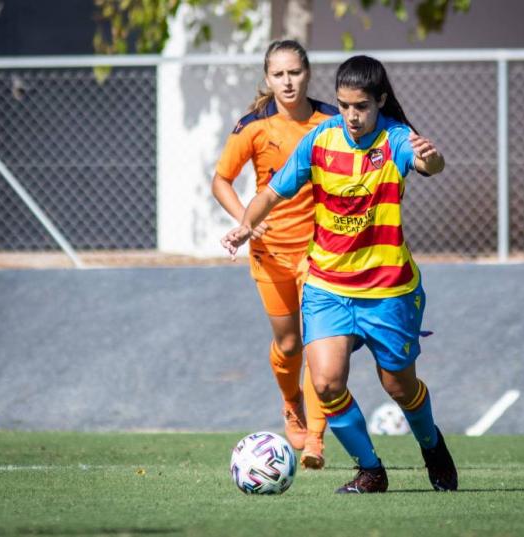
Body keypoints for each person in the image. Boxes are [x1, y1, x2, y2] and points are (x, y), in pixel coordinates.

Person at [221, 55, 458, 493]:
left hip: (389, 290)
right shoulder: (319, 140)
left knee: (399, 385)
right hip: (328, 286)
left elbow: (428, 166)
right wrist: (244, 226)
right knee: (327, 383)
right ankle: (370, 470)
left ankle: (432, 446)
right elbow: (271, 192)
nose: (351, 115)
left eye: (362, 106)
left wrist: (434, 159)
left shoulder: (397, 139)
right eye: (344, 105)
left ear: (380, 102)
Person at [212, 40, 337, 469]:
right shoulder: (254, 126)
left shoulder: (331, 121)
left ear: (308, 73)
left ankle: (317, 440)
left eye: (295, 73)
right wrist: (247, 222)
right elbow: (221, 180)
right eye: (279, 74)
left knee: (321, 343)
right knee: (289, 343)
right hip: (270, 253)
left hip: (321, 253)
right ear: (268, 78)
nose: (288, 82)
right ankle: (291, 403)